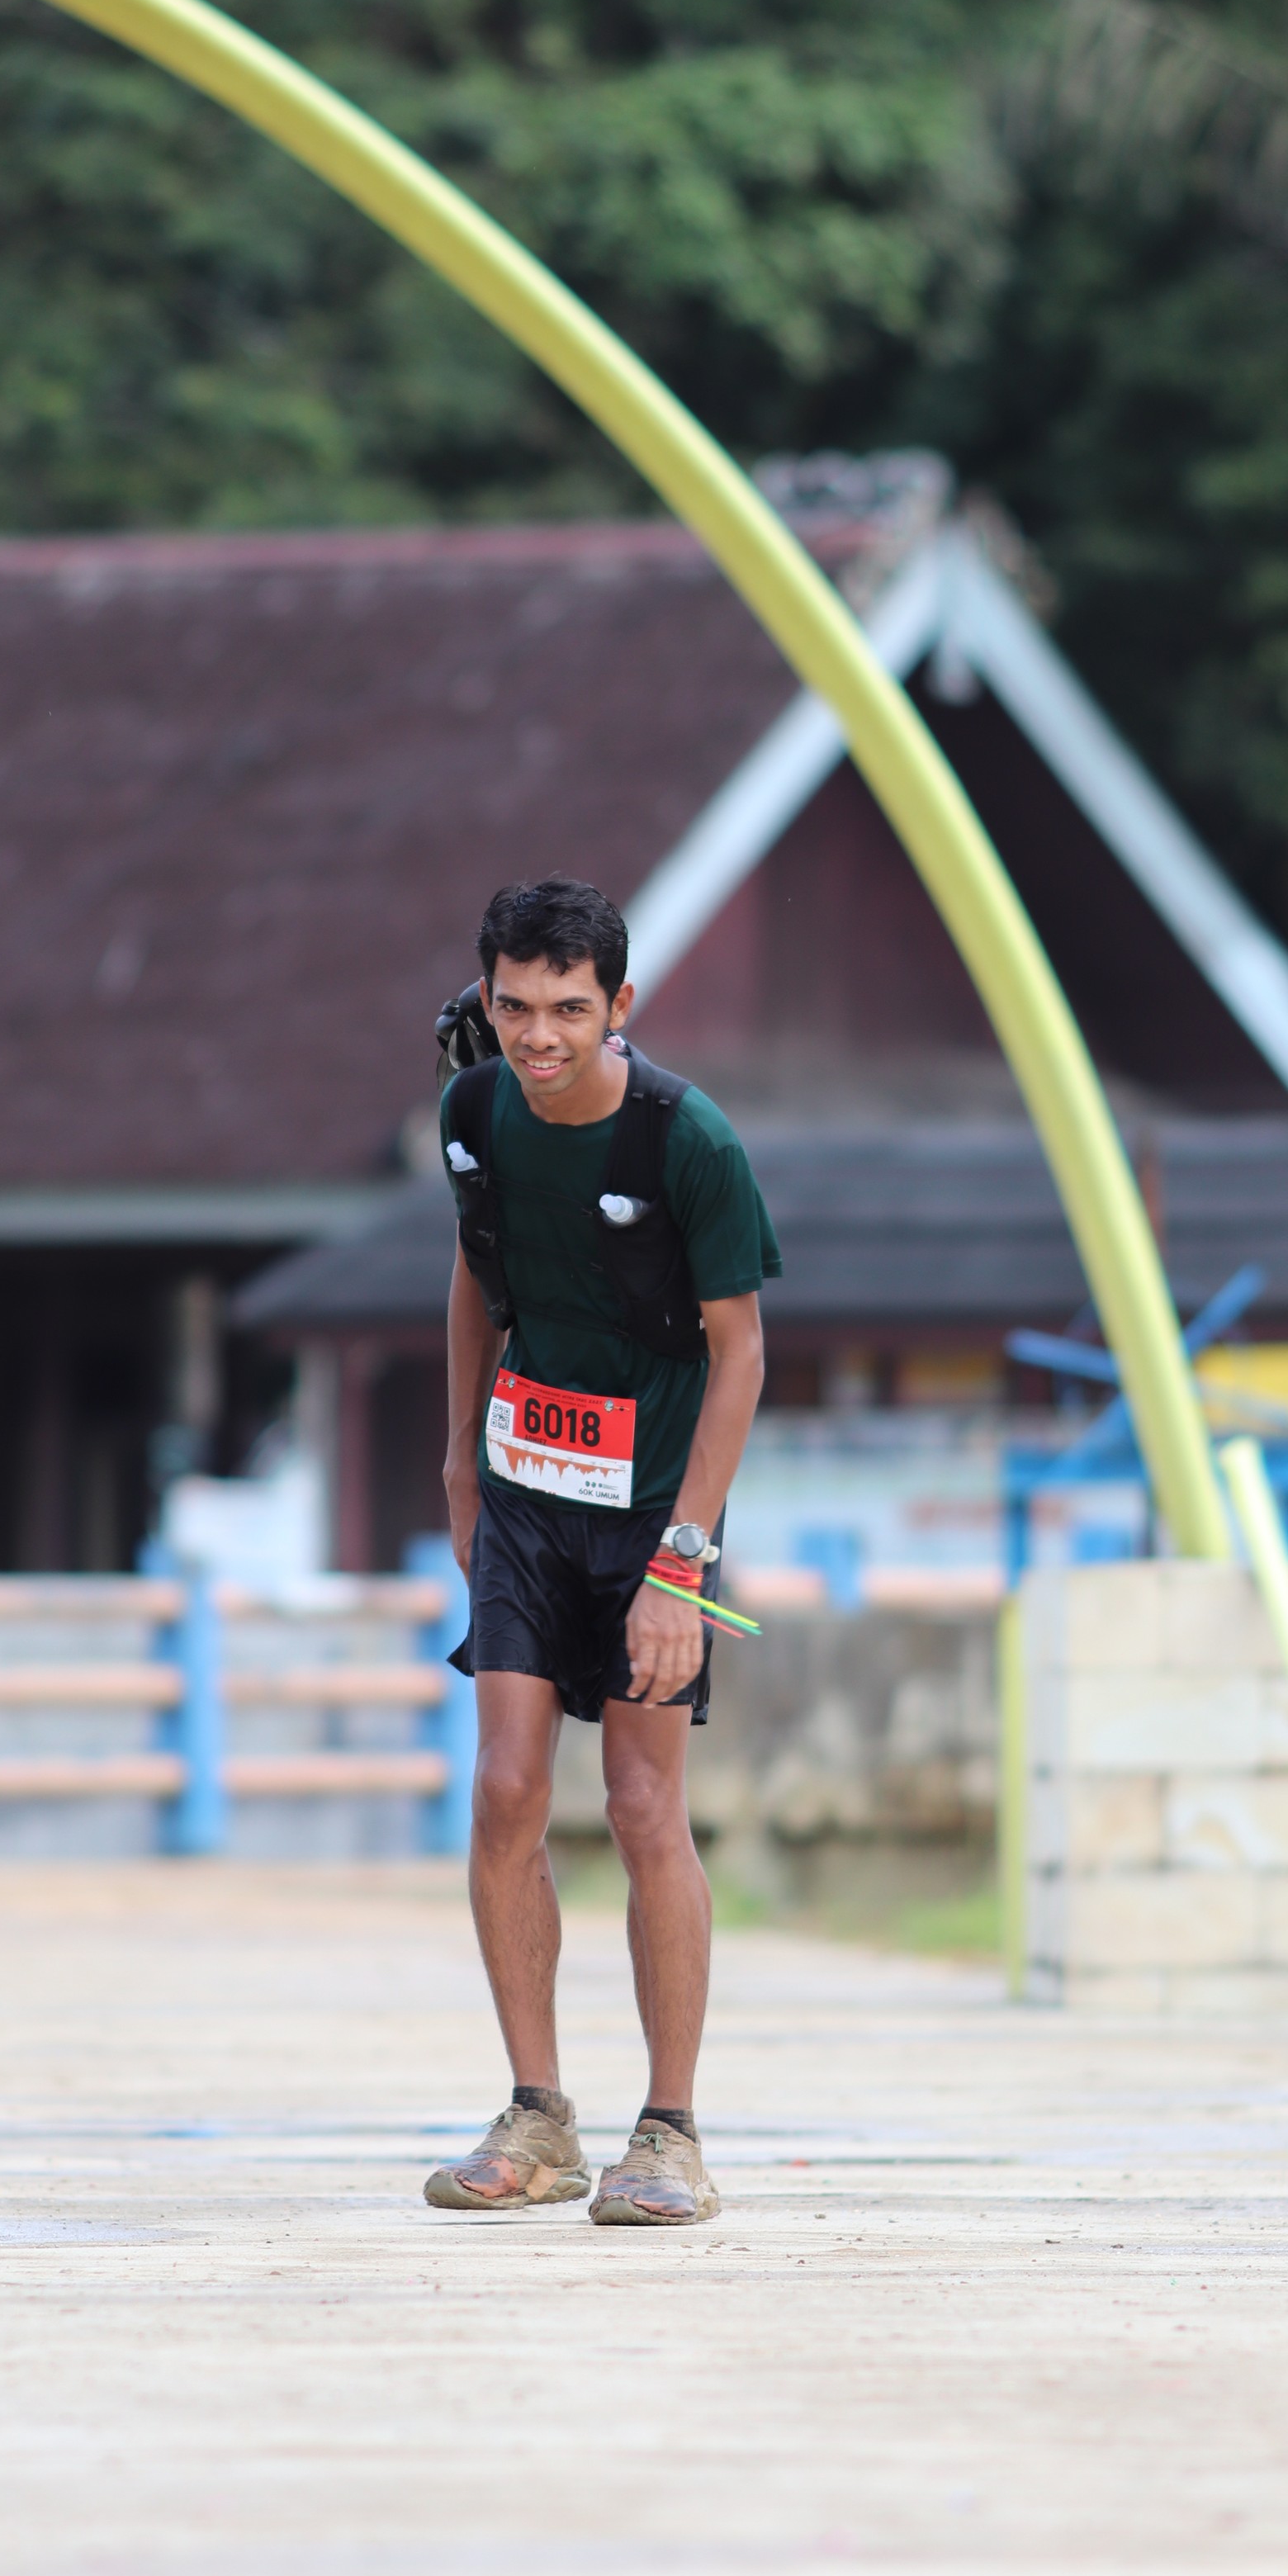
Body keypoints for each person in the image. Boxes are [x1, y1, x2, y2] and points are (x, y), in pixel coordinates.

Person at [424, 876, 779, 2227]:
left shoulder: (691, 1141)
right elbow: (476, 1274)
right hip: (524, 1484)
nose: (539, 1036)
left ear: (620, 1004)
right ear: (489, 996)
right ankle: (537, 2119)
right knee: (506, 1787)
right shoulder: (473, 1114)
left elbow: (742, 1354)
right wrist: (460, 1457)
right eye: (515, 1006)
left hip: (655, 1509)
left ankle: (671, 2134)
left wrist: (685, 1561)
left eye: (569, 1009)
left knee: (641, 1803)